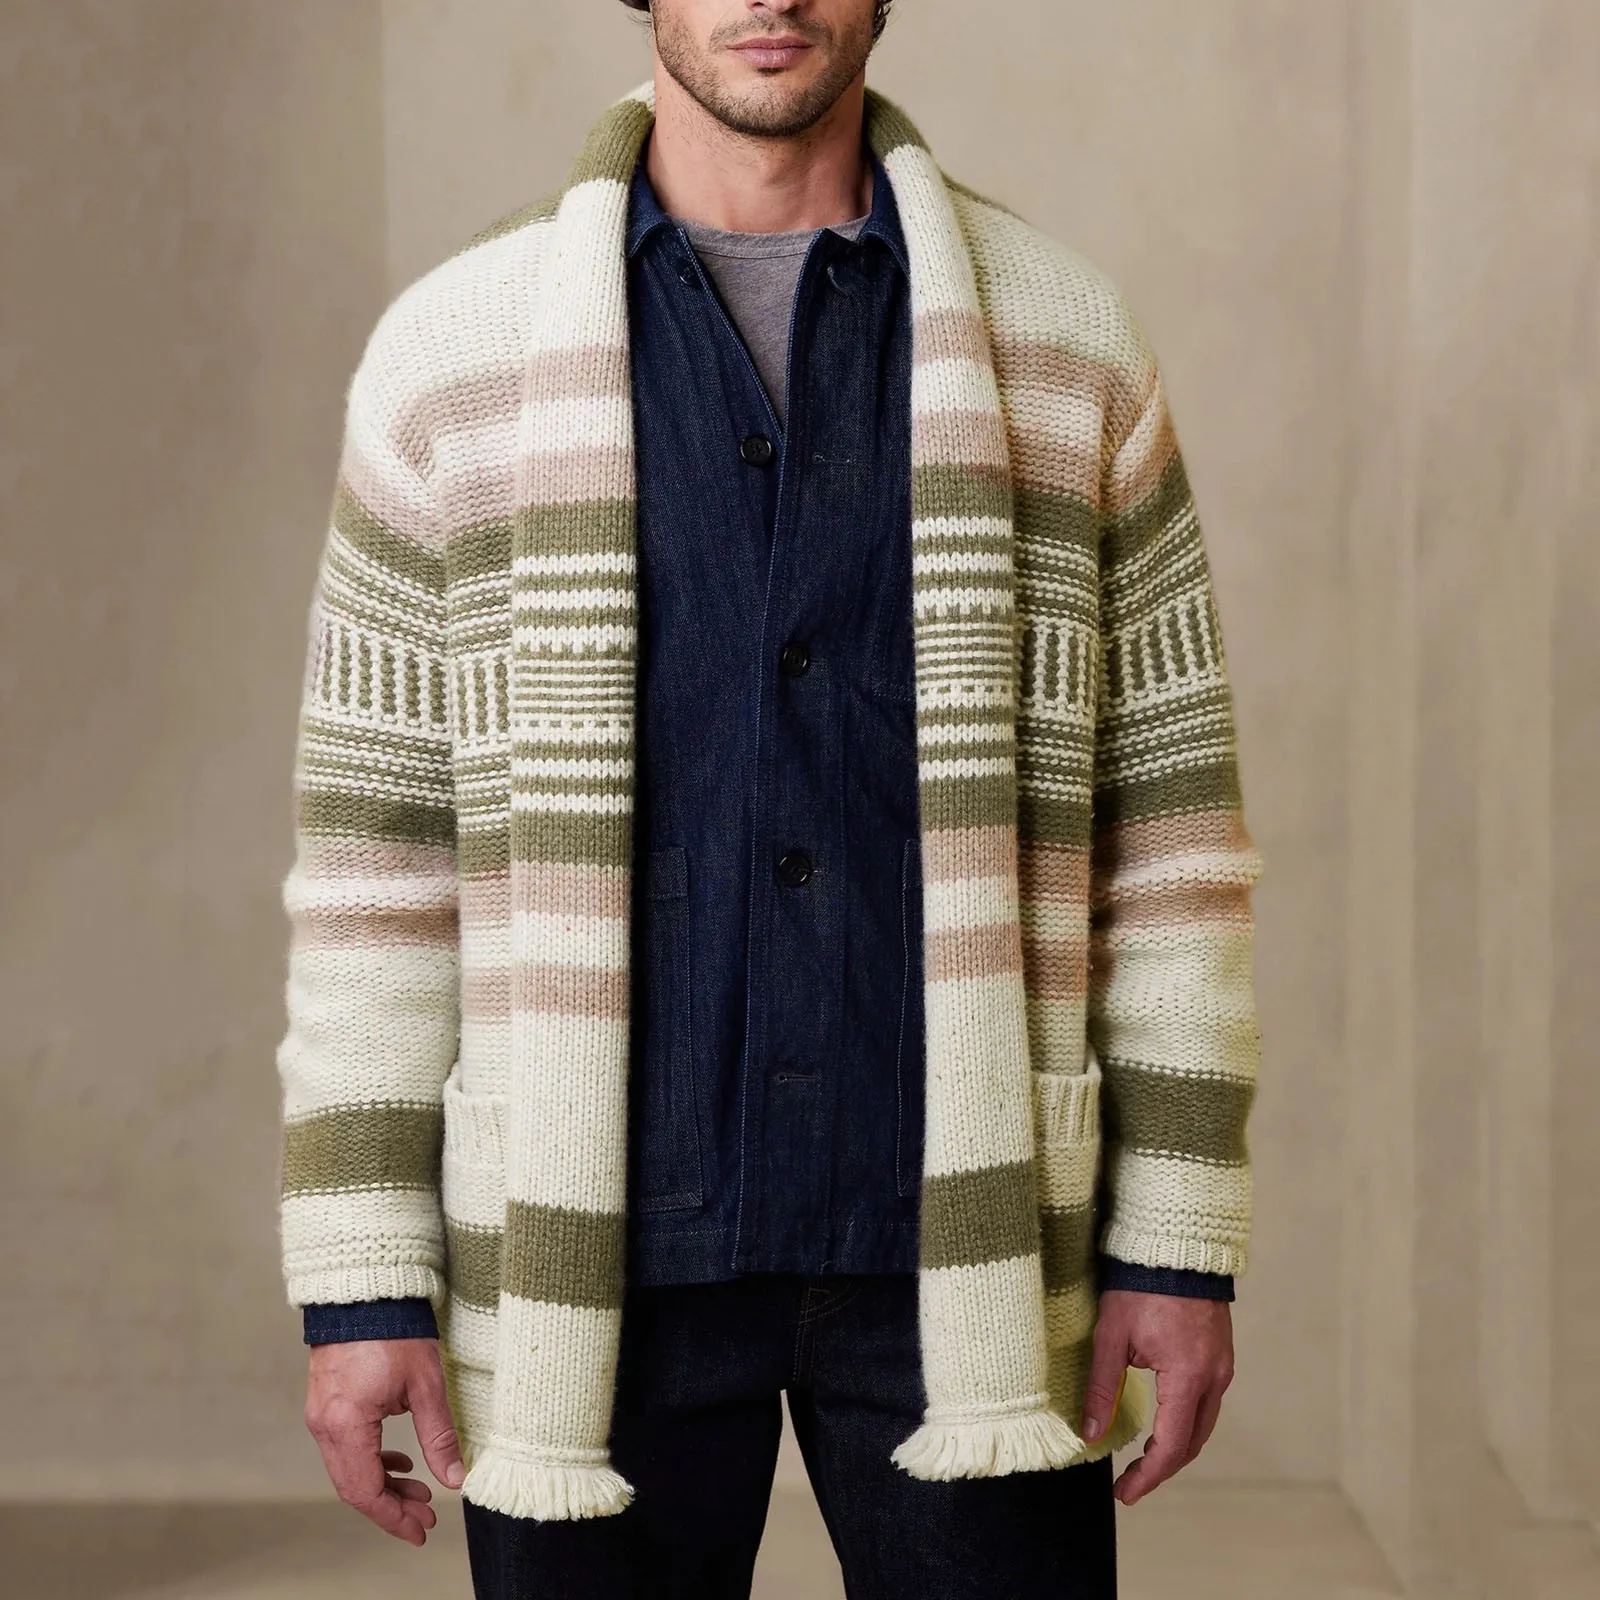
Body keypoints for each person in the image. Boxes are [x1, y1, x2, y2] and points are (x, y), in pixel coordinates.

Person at [275, 2, 1265, 1595]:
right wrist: (363, 1281)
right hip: (590, 1247)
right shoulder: (453, 357)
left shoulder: (1065, 341)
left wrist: (1176, 1242)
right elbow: (377, 866)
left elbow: (1170, 841)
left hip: (967, 1246)